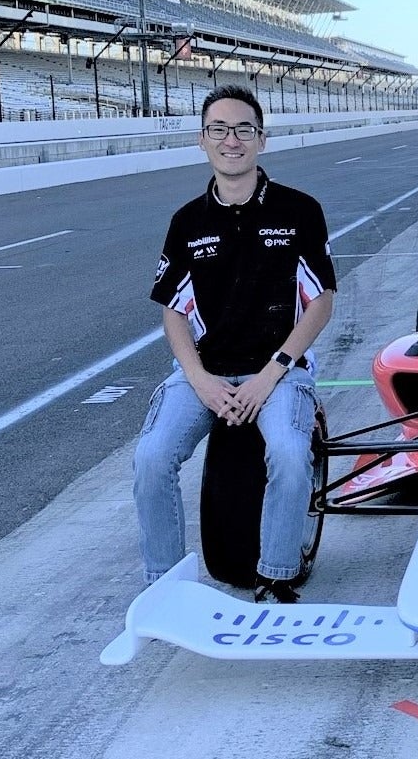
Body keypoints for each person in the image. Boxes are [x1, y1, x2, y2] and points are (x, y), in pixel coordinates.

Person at [133, 84, 337, 605]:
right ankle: (166, 588)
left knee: (291, 455)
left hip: (279, 371)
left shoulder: (301, 211)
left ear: (262, 140)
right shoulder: (187, 222)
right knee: (152, 458)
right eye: (219, 129)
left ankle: (275, 575)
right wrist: (200, 380)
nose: (232, 140)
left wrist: (273, 372)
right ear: (203, 140)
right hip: (206, 373)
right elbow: (173, 313)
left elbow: (321, 303)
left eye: (243, 129)